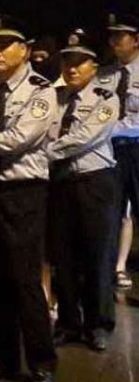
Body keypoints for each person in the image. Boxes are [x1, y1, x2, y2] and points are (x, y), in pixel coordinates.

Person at [0, 14, 57, 382]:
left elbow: (19, 138)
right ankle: (5, 359)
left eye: (4, 45)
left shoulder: (41, 91)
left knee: (24, 279)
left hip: (22, 192)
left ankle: (41, 363)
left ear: (24, 49)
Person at [47, 29, 118, 351]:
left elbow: (84, 138)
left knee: (96, 256)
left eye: (79, 62)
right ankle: (68, 323)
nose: (72, 69)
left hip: (93, 182)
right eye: (67, 62)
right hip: (60, 183)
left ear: (94, 66)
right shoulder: (53, 98)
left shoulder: (106, 98)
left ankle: (98, 323)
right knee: (63, 257)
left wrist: (42, 154)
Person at [106, 12, 139, 291]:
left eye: (121, 36)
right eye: (112, 36)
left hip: (137, 148)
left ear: (136, 40)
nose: (114, 41)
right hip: (111, 151)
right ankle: (114, 268)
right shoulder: (105, 75)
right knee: (113, 210)